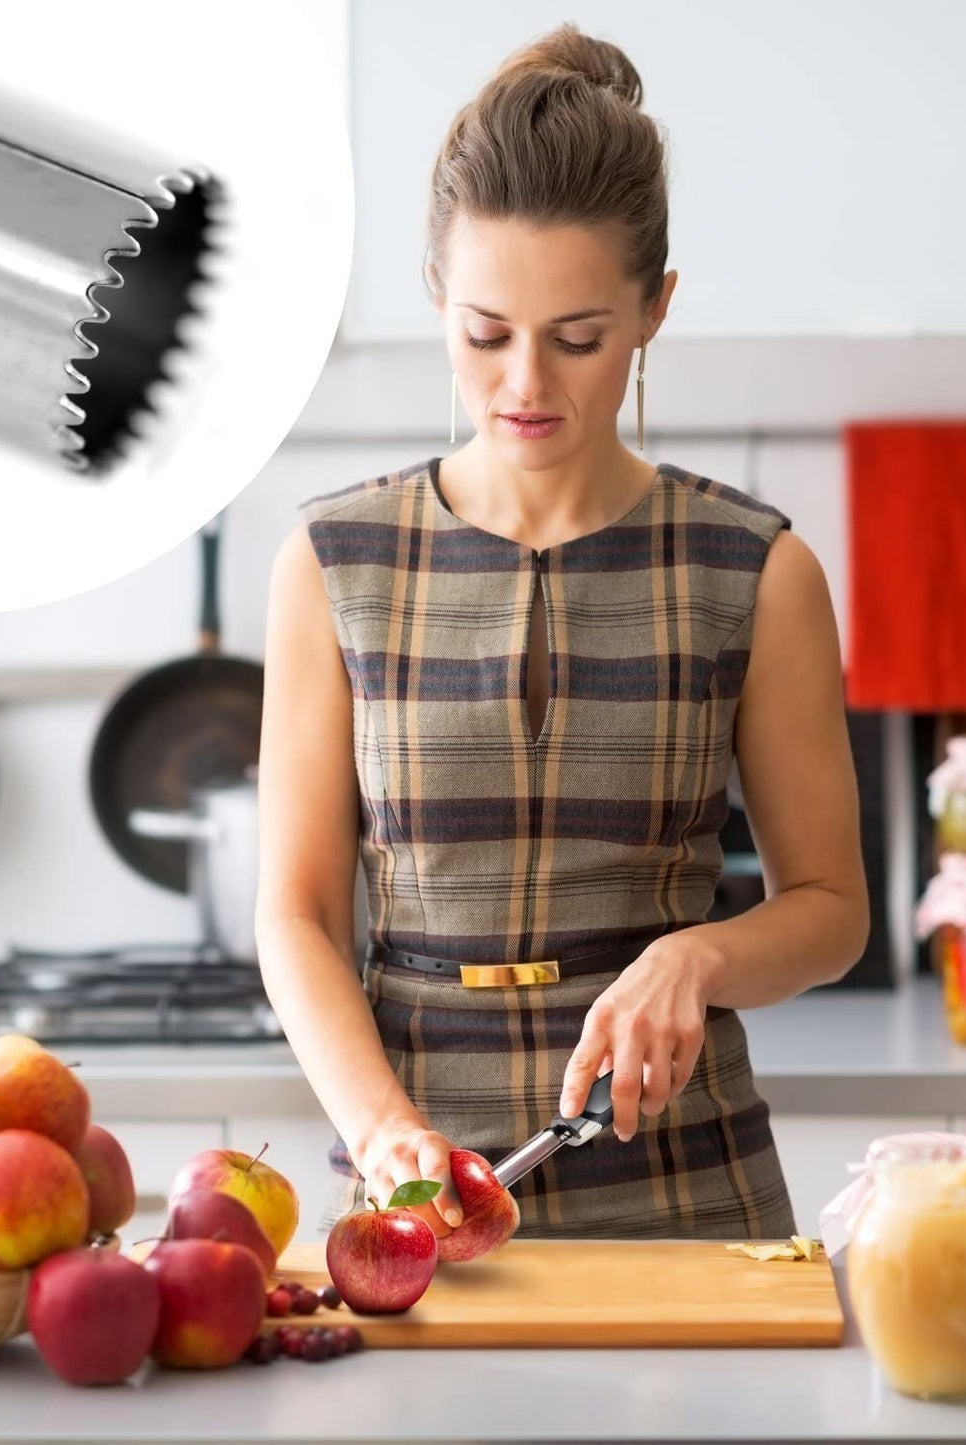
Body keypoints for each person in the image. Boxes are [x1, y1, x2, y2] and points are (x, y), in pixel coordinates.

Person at [254, 22, 869, 1242]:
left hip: (691, 1186)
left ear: (652, 311)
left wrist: (696, 958)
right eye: (485, 333)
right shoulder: (333, 564)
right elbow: (298, 913)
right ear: (436, 296)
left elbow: (828, 904)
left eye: (576, 338)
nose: (525, 383)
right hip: (409, 1201)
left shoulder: (756, 570)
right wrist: (381, 1133)